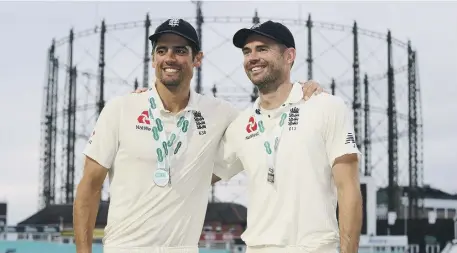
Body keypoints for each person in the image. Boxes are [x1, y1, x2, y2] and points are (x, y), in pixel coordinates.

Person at [73, 18, 325, 253]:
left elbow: (269, 118)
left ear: (198, 59)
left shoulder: (220, 114)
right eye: (162, 51)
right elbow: (89, 188)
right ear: (152, 59)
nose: (169, 58)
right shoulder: (121, 109)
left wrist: (300, 91)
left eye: (180, 50)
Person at [217, 21, 363, 253]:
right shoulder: (241, 125)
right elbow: (195, 176)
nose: (252, 57)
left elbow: (349, 188)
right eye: (247, 51)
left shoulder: (326, 106)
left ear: (289, 56)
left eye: (262, 49)